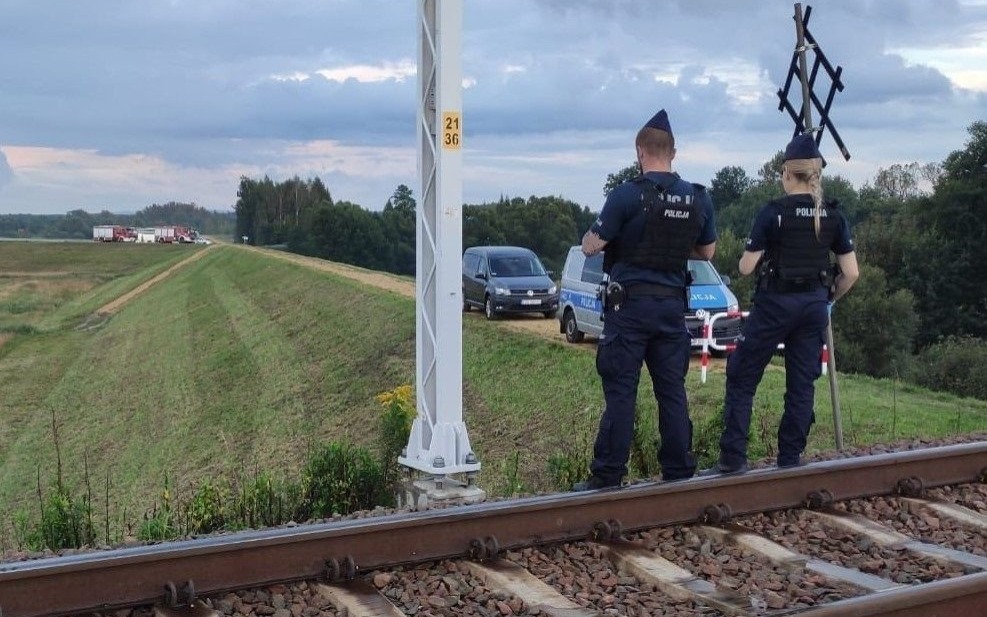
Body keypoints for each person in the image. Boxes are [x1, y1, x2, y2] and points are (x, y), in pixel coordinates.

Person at [574, 108, 717, 490]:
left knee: (622, 392)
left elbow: (591, 246)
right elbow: (707, 252)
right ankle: (679, 471)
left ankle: (608, 475)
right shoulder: (698, 198)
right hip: (672, 308)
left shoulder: (626, 195)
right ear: (673, 152)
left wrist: (608, 237)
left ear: (640, 152)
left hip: (629, 310)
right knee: (671, 391)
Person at [703, 133, 859, 475]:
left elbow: (746, 268)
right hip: (813, 307)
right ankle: (790, 458)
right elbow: (851, 273)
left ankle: (732, 459)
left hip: (774, 304)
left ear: (787, 173)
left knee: (742, 375)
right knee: (801, 383)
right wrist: (828, 298)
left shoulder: (773, 212)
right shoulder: (833, 215)